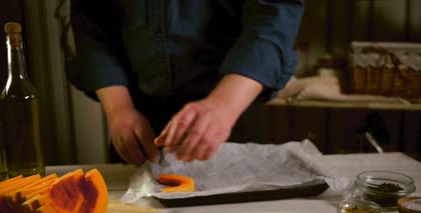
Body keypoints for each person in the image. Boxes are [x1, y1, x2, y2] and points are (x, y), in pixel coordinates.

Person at [66, 0, 304, 166]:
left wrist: (223, 104)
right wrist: (118, 109)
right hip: (136, 120)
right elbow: (91, 24)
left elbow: (274, 17)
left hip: (232, 112)